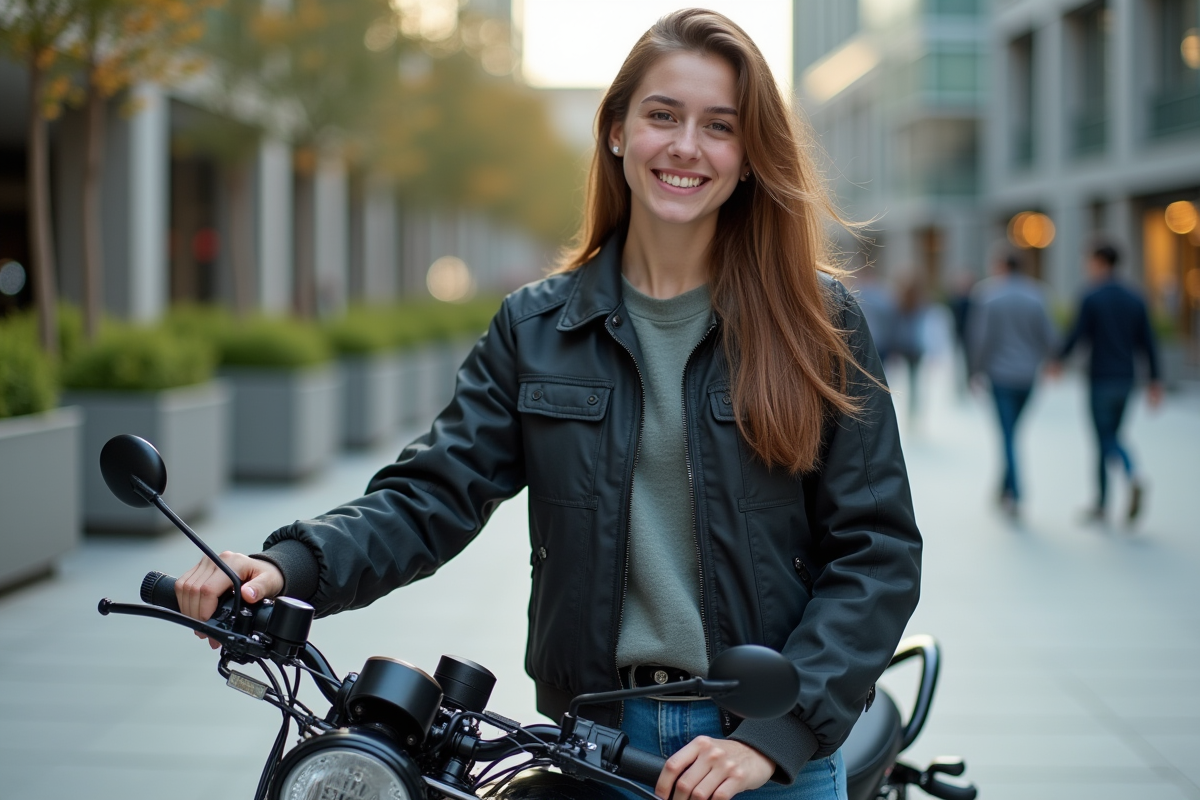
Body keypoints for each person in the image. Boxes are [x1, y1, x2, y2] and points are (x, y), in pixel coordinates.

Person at [174, 11, 922, 800]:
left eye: (720, 127)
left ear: (747, 160)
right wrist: (289, 566)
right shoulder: (536, 328)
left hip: (768, 749)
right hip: (595, 745)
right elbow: (432, 493)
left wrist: (780, 733)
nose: (684, 146)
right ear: (616, 132)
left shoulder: (819, 321)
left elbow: (876, 551)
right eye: (662, 115)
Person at [1051, 239, 1162, 524]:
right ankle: (1102, 502)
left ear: (1099, 262)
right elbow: (1148, 342)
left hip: (1100, 378)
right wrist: (1155, 381)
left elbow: (1076, 336)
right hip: (1126, 379)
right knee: (1111, 435)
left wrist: (1057, 361)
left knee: (1103, 439)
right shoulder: (1135, 296)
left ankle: (1126, 478)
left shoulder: (1092, 296)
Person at [967, 245, 1058, 518]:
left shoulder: (988, 295)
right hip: (1028, 376)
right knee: (1012, 432)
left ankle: (1015, 492)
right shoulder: (1038, 294)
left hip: (1000, 375)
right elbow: (1050, 336)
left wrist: (974, 371)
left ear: (1002, 266)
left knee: (1007, 434)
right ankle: (1005, 487)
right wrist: (1052, 360)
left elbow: (979, 339)